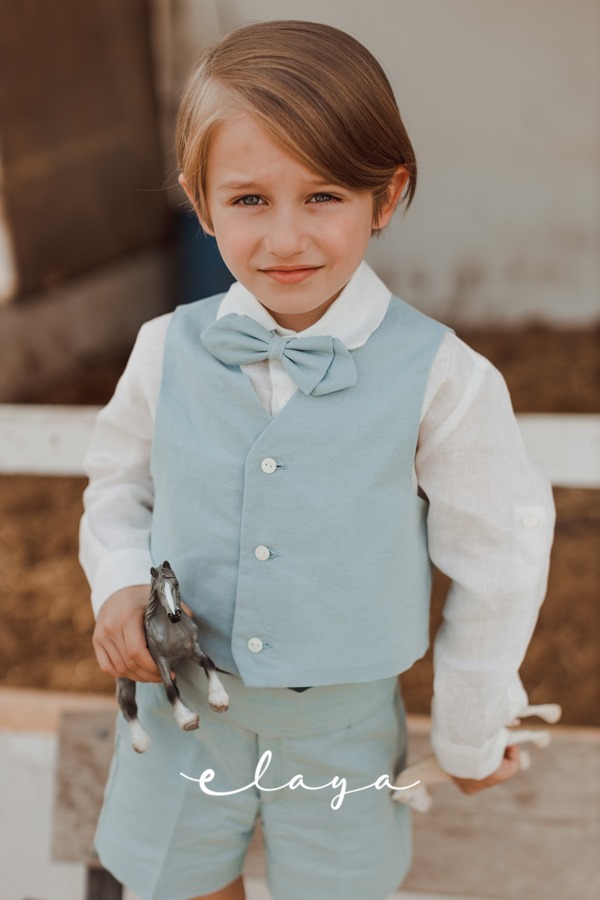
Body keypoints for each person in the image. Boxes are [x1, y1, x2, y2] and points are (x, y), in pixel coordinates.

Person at [79, 19, 555, 900]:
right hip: (183, 715)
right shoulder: (163, 350)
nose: (286, 239)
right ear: (200, 200)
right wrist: (117, 582)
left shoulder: (444, 378)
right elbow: (118, 485)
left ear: (386, 195)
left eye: (324, 195)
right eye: (250, 200)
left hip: (343, 731)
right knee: (180, 885)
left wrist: (470, 734)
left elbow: (499, 560)